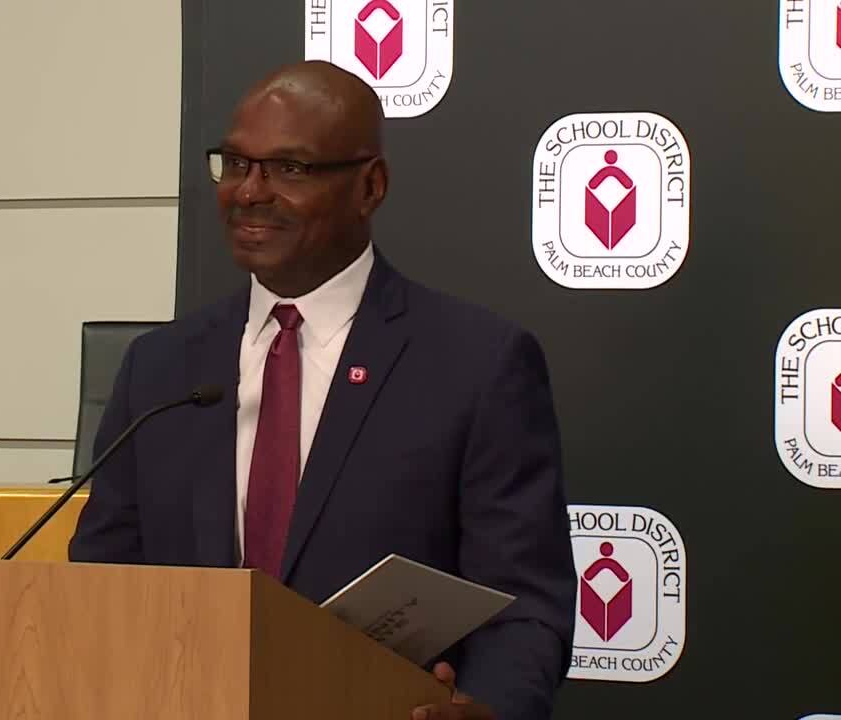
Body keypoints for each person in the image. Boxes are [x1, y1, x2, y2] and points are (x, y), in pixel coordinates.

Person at [68, 60, 576, 720]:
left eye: (289, 169)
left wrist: (490, 708)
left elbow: (523, 603)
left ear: (371, 186)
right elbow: (104, 581)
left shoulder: (476, 363)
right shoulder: (160, 367)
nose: (250, 192)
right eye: (236, 164)